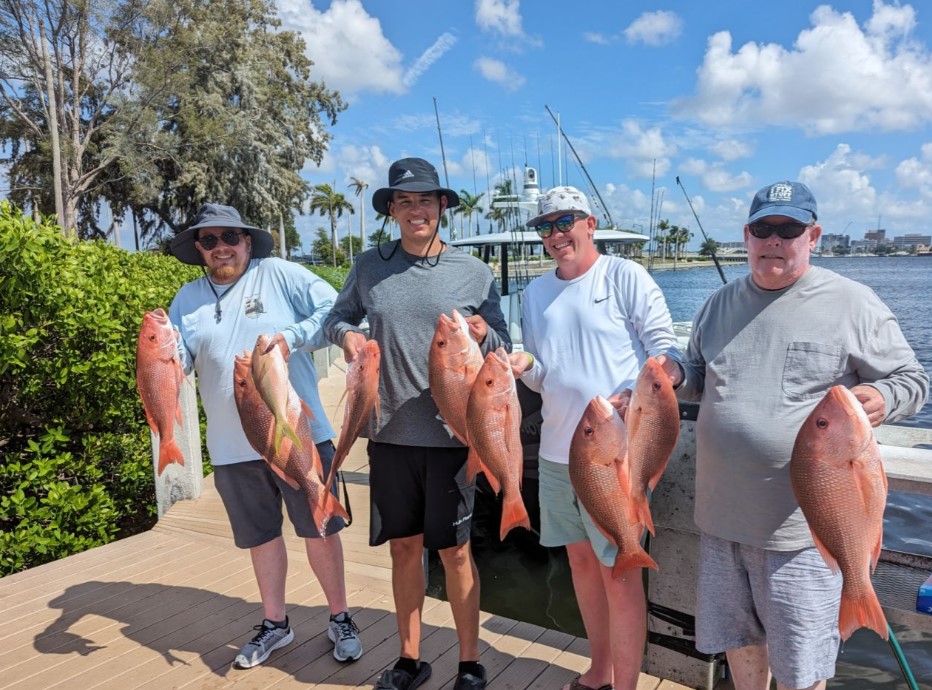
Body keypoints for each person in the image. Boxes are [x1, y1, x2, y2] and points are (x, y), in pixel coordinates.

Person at [661, 181, 929, 690]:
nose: (775, 240)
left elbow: (912, 380)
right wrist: (675, 374)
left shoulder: (852, 302)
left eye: (789, 229)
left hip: (803, 534)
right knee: (740, 645)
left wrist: (884, 399)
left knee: (801, 668)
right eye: (764, 229)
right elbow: (699, 373)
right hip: (720, 521)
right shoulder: (718, 304)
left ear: (814, 235)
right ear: (747, 235)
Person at [323, 157, 510, 690]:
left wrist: (481, 331)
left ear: (442, 206)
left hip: (456, 437)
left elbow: (501, 340)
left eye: (426, 200)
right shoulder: (368, 266)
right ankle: (409, 659)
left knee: (455, 551)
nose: (416, 210)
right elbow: (336, 319)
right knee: (404, 547)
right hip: (387, 437)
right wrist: (348, 338)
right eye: (404, 202)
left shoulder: (473, 271)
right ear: (392, 211)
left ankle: (469, 662)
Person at [168, 202, 363, 669]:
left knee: (319, 526)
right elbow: (175, 360)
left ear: (247, 241)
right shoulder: (187, 299)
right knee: (260, 536)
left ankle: (340, 616)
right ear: (199, 248)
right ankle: (276, 624)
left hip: (297, 433)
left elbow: (333, 310)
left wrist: (292, 336)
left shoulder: (277, 273)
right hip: (232, 446)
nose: (221, 248)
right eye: (209, 240)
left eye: (229, 237)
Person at [507, 186, 681, 690]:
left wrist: (637, 394)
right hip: (559, 454)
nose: (556, 235)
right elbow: (545, 372)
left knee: (620, 572)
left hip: (614, 456)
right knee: (581, 564)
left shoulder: (625, 275)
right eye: (545, 227)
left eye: (565, 222)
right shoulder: (536, 293)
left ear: (590, 222)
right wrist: (525, 366)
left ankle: (625, 685)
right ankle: (599, 671)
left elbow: (664, 353)